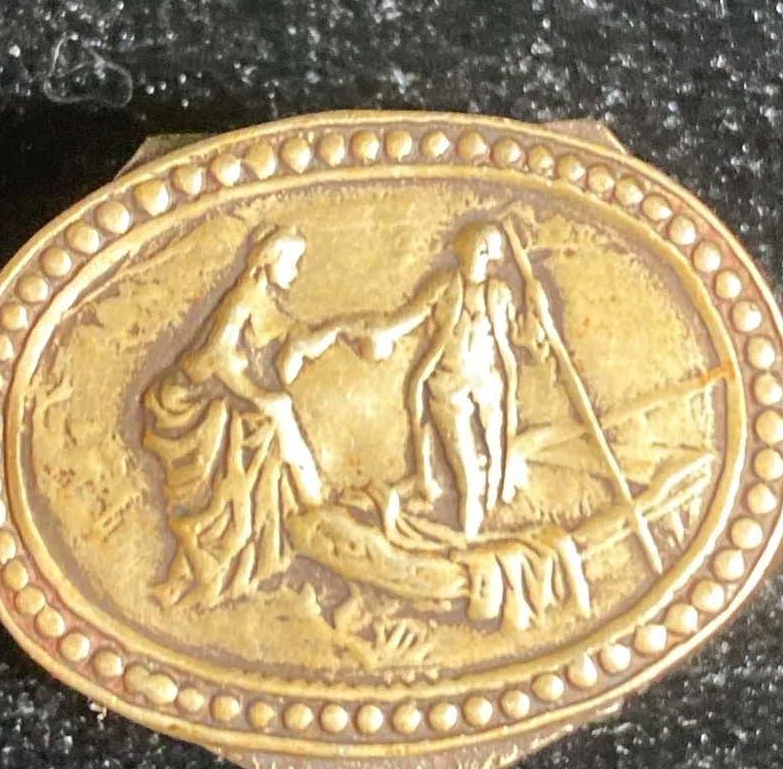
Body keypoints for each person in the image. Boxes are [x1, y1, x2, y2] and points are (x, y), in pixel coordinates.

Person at [141, 226, 340, 607]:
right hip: (207, 404)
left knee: (276, 421)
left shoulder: (265, 301)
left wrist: (341, 330)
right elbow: (213, 357)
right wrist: (257, 396)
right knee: (277, 416)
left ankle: (187, 574)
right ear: (268, 260)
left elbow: (287, 346)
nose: (295, 271)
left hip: (244, 410)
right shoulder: (242, 298)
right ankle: (313, 505)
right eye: (291, 263)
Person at [363, 222, 532, 540]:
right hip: (448, 388)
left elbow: (520, 338)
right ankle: (469, 542)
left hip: (487, 387)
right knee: (468, 479)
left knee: (496, 466)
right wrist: (383, 332)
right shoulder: (443, 285)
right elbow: (412, 316)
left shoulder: (498, 293)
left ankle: (487, 526)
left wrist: (536, 316)